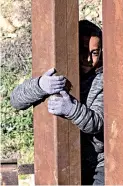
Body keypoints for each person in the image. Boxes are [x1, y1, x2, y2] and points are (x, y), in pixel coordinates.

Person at [10, 20, 104, 185]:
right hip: (61, 162)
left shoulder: (103, 79)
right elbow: (16, 100)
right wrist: (40, 86)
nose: (88, 59)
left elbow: (97, 123)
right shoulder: (58, 71)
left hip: (97, 164)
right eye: (82, 50)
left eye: (94, 53)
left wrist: (72, 110)